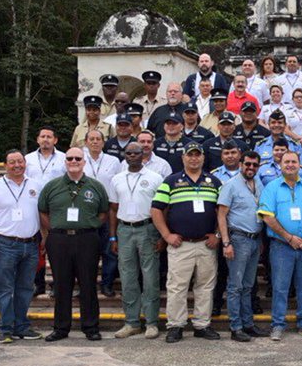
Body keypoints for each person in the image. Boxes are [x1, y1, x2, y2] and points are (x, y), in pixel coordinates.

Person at [151, 142, 223, 343]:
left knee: (205, 286)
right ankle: (175, 325)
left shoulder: (214, 182)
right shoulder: (171, 181)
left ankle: (202, 325)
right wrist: (166, 236)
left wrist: (217, 235)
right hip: (180, 244)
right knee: (177, 287)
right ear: (183, 158)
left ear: (202, 158)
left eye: (197, 155)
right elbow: (156, 209)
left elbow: (223, 212)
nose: (194, 158)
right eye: (190, 155)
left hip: (206, 244)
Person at [38, 146, 110, 342]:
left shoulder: (95, 186)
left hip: (87, 239)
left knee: (88, 284)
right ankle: (61, 328)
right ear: (65, 161)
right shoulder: (52, 186)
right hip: (59, 240)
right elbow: (42, 210)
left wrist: (92, 224)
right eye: (69, 158)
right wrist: (52, 229)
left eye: (78, 158)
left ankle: (91, 327)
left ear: (84, 162)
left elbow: (104, 211)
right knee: (62, 285)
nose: (74, 161)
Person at [0, 150, 43, 343]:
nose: (17, 165)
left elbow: (42, 215)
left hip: (31, 244)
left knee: (25, 288)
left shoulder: (35, 186)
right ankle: (5, 329)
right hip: (6, 243)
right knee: (5, 288)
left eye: (20, 161)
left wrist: (45, 240)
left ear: (25, 163)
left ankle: (21, 326)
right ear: (5, 165)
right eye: (12, 162)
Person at [106, 142, 165, 339]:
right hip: (124, 229)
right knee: (128, 276)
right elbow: (113, 209)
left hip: (147, 228)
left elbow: (164, 208)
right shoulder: (116, 179)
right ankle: (131, 322)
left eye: (136, 153)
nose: (132, 156)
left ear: (143, 154)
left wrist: (161, 234)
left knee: (150, 277)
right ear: (125, 155)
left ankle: (151, 322)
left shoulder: (155, 178)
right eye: (128, 153)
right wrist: (113, 235)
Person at [218, 150, 270, 341]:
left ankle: (248, 324)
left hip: (255, 238)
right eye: (247, 164)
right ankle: (236, 327)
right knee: (235, 286)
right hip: (238, 239)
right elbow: (221, 215)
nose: (251, 168)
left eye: (255, 165)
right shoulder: (230, 185)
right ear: (241, 164)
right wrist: (226, 242)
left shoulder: (259, 183)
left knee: (248, 285)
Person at [82, 130, 121, 297]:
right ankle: (86, 286)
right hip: (85, 212)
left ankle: (107, 284)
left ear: (103, 143)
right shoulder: (79, 160)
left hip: (107, 211)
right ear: (86, 142)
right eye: (91, 139)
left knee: (109, 251)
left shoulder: (113, 161)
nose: (95, 142)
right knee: (85, 253)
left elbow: (118, 184)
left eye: (98, 139)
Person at [25, 126, 66, 190]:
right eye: (42, 136)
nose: (45, 139)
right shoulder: (28, 159)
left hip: (56, 196)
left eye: (49, 137)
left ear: (55, 140)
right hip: (33, 196)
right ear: (38, 140)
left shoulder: (64, 158)